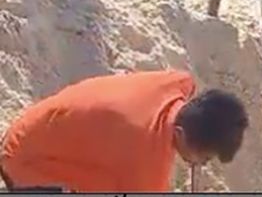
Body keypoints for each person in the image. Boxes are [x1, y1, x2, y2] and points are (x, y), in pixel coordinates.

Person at [0, 70, 248, 192]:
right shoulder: (145, 165)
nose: (202, 164)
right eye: (203, 158)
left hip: (38, 131)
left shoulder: (176, 83)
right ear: (180, 134)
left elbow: (188, 80)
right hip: (25, 164)